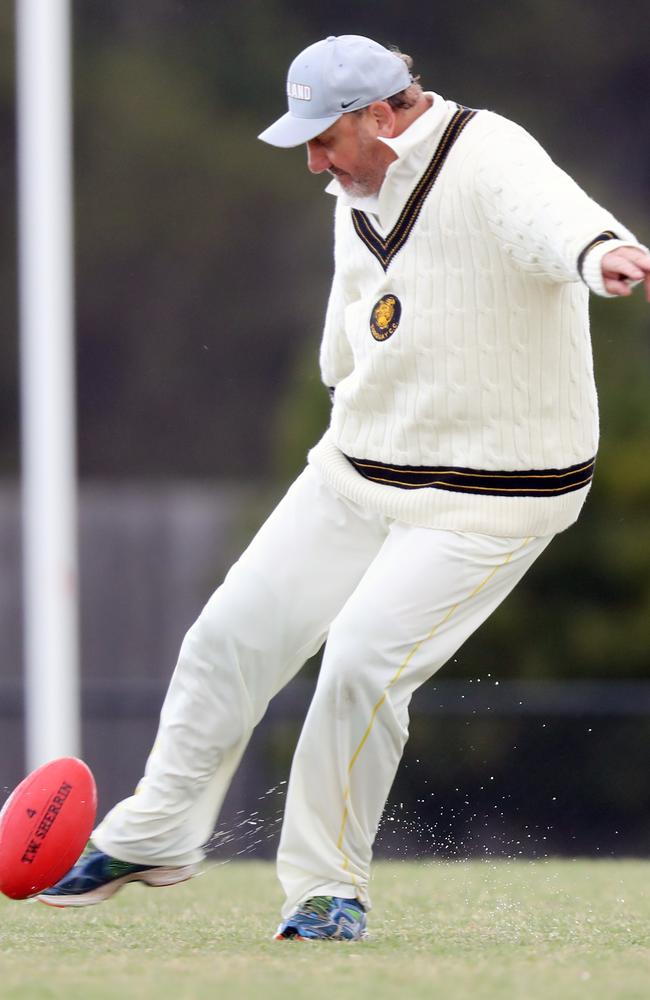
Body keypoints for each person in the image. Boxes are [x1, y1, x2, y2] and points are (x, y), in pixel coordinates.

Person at [39, 35, 650, 940]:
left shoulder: (491, 154)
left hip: (495, 496)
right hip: (360, 466)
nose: (315, 162)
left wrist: (602, 254)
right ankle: (157, 832)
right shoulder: (352, 181)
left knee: (362, 661)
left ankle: (327, 890)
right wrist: (341, 374)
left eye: (324, 139)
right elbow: (363, 302)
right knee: (227, 638)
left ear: (379, 117)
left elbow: (554, 217)